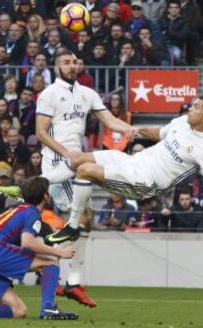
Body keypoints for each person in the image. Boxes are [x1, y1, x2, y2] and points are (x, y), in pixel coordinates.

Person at [47, 95, 203, 253]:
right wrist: (139, 130)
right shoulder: (181, 122)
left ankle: (72, 226)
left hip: (144, 182)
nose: (190, 109)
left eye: (196, 107)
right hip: (132, 162)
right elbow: (161, 133)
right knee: (77, 158)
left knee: (84, 170)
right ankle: (39, 184)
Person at [35, 49, 137, 306]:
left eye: (75, 62)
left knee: (84, 221)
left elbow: (111, 121)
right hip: (58, 162)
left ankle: (66, 279)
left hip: (77, 161)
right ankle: (70, 281)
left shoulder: (87, 93)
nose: (72, 66)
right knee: (81, 219)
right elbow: (41, 132)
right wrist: (67, 152)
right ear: (56, 66)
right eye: (66, 63)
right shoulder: (49, 94)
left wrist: (131, 129)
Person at [0, 177, 78, 320]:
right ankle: (48, 308)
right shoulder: (32, 213)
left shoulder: (16, 209)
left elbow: (10, 254)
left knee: (19, 311)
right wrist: (60, 252)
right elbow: (27, 242)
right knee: (51, 262)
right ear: (45, 196)